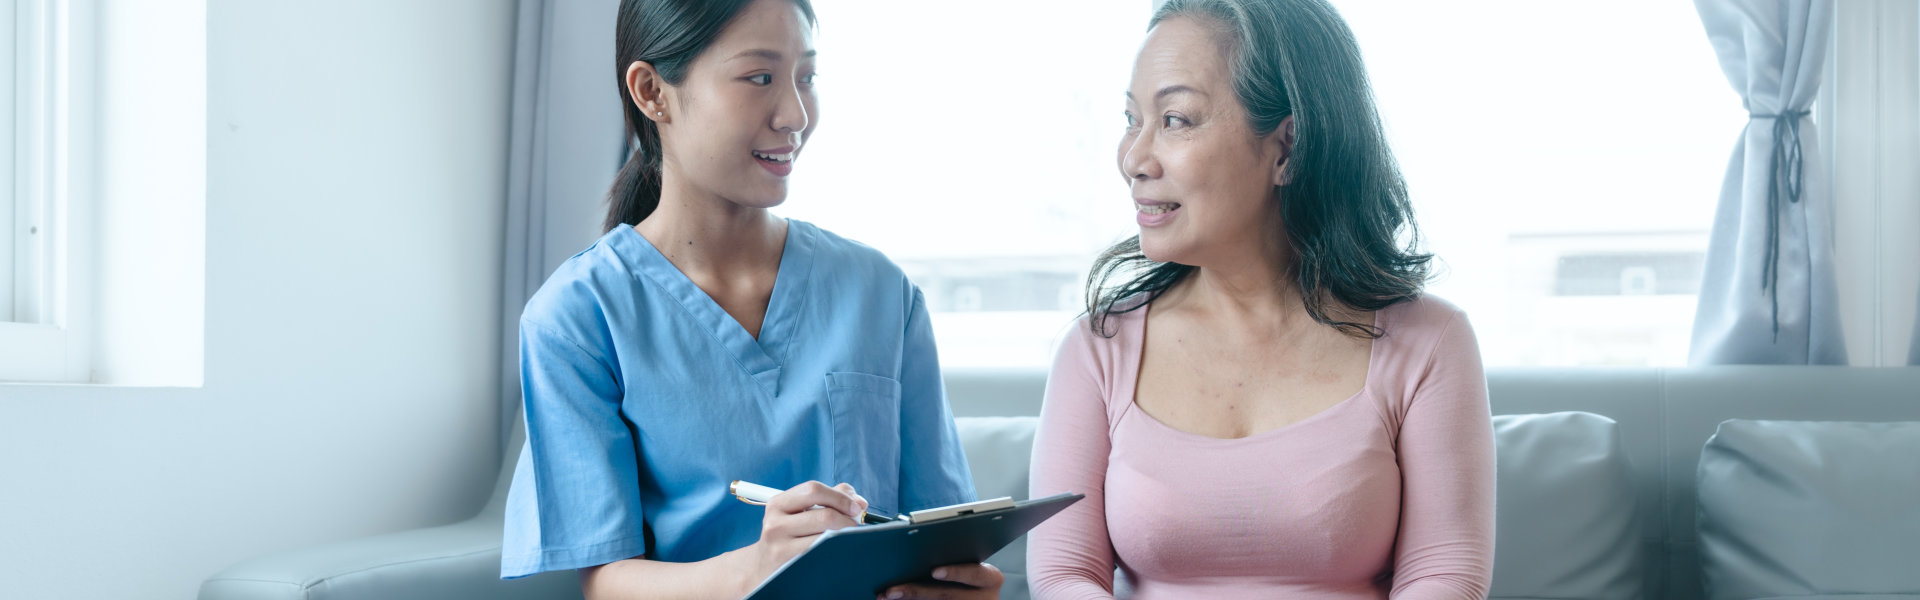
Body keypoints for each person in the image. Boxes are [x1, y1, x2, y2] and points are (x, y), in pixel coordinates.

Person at [499, 1, 1002, 598]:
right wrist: (762, 565)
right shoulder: (577, 318)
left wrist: (962, 585)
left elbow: (943, 538)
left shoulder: (881, 294)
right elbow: (608, 583)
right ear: (652, 91)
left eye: (807, 77)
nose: (794, 114)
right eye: (759, 77)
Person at [1027, 0, 1495, 598]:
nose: (1134, 159)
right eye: (1131, 119)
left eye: (1175, 119)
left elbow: (1445, 577)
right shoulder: (1097, 349)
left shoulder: (1430, 341)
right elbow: (1066, 575)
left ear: (1287, 146)